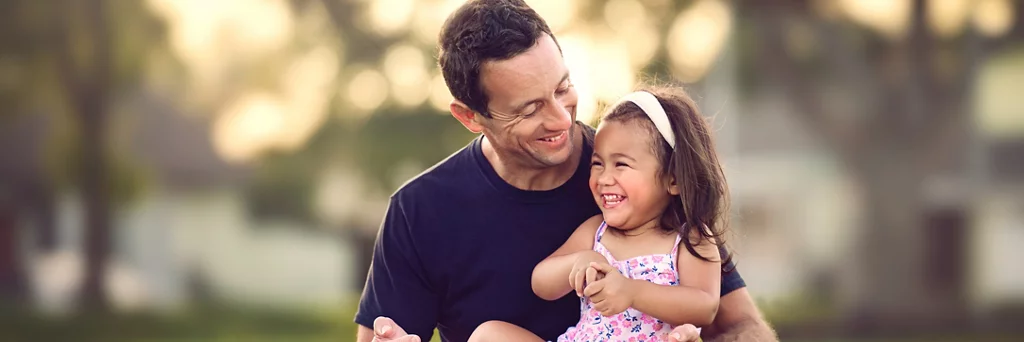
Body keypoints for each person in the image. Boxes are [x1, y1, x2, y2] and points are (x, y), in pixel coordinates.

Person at [354, 1, 777, 341]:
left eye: (562, 88)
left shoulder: (648, 174)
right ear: (470, 117)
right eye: (529, 108)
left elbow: (741, 325)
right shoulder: (419, 212)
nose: (560, 119)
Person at [467, 87, 730, 341]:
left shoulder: (690, 238)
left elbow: (705, 306)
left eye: (621, 164)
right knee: (488, 335)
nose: (604, 178)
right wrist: (578, 261)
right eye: (597, 163)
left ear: (674, 179)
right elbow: (541, 282)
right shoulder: (598, 232)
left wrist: (633, 292)